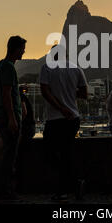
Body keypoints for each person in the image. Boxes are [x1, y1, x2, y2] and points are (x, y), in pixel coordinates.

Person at [40, 45, 88, 202]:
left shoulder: (47, 68)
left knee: (51, 153)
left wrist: (61, 106)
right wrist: (68, 95)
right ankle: (75, 183)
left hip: (55, 119)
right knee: (67, 153)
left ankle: (63, 190)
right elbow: (84, 93)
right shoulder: (76, 69)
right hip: (73, 118)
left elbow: (45, 93)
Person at [0, 36, 26, 203]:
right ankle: (7, 192)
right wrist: (12, 118)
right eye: (22, 48)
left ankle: (3, 192)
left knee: (7, 154)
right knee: (10, 156)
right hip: (8, 117)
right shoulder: (9, 68)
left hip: (0, 115)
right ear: (16, 49)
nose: (24, 52)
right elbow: (7, 94)